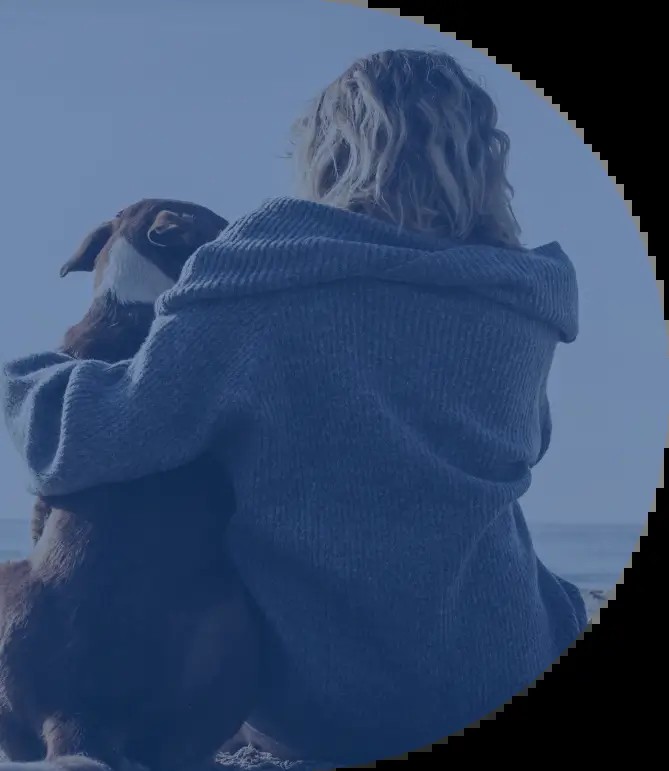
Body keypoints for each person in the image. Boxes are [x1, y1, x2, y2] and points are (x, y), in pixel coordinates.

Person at [1, 49, 588, 766]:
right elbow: (522, 450)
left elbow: (89, 441)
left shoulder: (269, 272)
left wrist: (27, 376)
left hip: (335, 713)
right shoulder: (519, 301)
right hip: (507, 665)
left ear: (329, 154)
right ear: (481, 160)